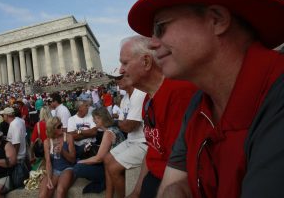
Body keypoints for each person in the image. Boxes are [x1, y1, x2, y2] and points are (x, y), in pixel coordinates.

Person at [127, 0, 284, 197]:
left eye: (161, 27)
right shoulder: (201, 101)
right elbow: (175, 181)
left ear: (217, 20)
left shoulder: (277, 97)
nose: (151, 43)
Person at [117, 36, 197, 198]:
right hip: (154, 179)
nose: (120, 70)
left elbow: (182, 163)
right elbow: (153, 148)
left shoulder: (179, 93)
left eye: (125, 63)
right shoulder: (148, 98)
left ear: (146, 62)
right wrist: (137, 191)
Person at [103, 71, 148, 198]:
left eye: (119, 77)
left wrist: (117, 122)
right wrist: (121, 123)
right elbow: (124, 124)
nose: (117, 81)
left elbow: (128, 126)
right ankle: (108, 196)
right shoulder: (125, 99)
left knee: (113, 168)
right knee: (106, 159)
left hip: (144, 142)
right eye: (115, 78)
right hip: (132, 140)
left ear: (129, 76)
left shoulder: (139, 94)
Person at [74, 107, 125, 194]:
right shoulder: (114, 128)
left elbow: (99, 159)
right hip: (116, 164)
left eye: (95, 118)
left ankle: (102, 180)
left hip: (113, 168)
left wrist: (80, 162)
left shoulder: (108, 133)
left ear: (101, 118)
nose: (93, 121)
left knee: (77, 168)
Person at [39, 117, 76, 198]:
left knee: (60, 191)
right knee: (43, 194)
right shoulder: (47, 142)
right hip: (54, 170)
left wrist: (63, 151)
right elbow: (48, 162)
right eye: (59, 126)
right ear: (52, 129)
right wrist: (49, 178)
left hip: (67, 168)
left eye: (61, 124)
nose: (62, 127)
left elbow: (73, 160)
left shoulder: (69, 137)